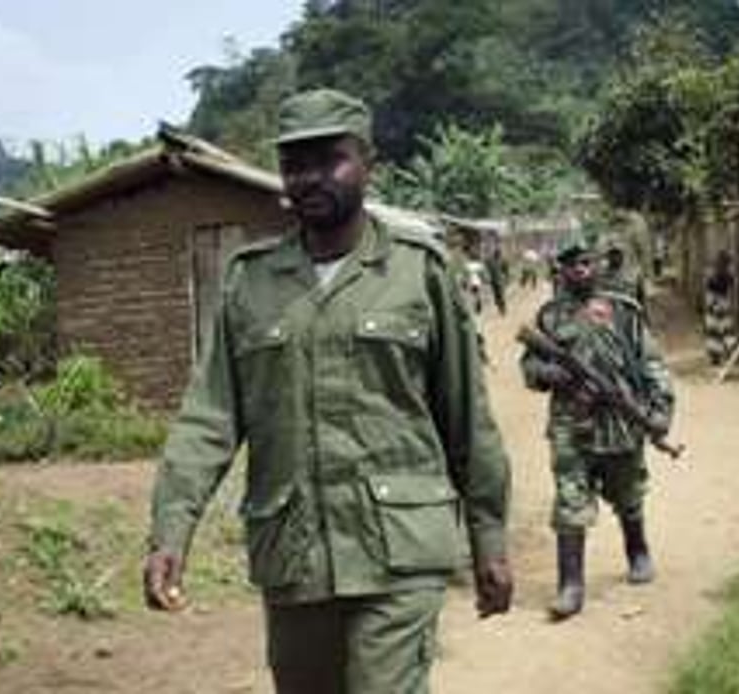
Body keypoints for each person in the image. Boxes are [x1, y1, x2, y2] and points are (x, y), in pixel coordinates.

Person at [144, 88, 513, 694]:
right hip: (295, 557)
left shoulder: (418, 272)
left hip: (400, 553)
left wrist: (489, 537)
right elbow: (207, 421)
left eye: (329, 159)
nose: (308, 177)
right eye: (294, 163)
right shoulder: (251, 283)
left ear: (369, 163)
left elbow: (467, 418)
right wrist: (171, 532)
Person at [519, 234, 674, 621]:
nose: (582, 270)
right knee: (570, 499)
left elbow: (652, 362)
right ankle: (570, 586)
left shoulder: (623, 310)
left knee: (628, 491)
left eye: (588, 262)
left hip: (620, 420)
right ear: (563, 271)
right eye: (574, 265)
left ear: (597, 266)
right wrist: (550, 372)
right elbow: (529, 367)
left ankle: (637, 551)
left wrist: (660, 412)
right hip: (571, 424)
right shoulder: (550, 316)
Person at [704, 249, 736, 366]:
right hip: (719, 302)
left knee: (715, 331)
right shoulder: (721, 275)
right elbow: (728, 286)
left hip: (714, 302)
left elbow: (709, 289)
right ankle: (727, 354)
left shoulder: (715, 274)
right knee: (725, 329)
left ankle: (716, 357)